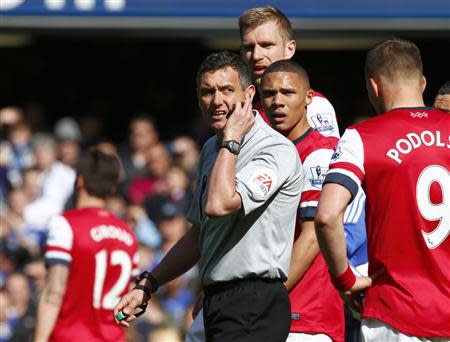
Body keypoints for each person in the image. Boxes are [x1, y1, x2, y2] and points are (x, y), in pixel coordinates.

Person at [114, 51, 302, 342]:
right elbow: (198, 235)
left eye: (227, 90)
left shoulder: (275, 150)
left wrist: (231, 141)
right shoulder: (211, 149)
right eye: (207, 92)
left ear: (249, 93)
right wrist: (149, 284)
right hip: (217, 299)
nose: (216, 101)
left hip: (255, 302)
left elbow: (218, 205)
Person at [315, 38, 450, 341]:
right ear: (423, 82)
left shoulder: (360, 137)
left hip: (395, 313)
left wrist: (345, 279)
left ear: (373, 87)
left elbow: (326, 216)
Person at [260, 60, 344, 341]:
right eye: (269, 94)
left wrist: (267, 297)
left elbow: (312, 237)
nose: (277, 102)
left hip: (307, 318)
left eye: (287, 93)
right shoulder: (266, 151)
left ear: (309, 98)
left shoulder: (320, 153)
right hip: (267, 312)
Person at [34, 148, 139, 342]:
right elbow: (132, 300)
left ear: (80, 181)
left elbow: (54, 292)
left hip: (69, 336)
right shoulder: (129, 235)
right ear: (112, 188)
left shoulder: (65, 224)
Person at [239, 5, 340, 140]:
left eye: (266, 45)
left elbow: (323, 155)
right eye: (249, 47)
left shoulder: (312, 105)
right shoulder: (247, 111)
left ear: (289, 49)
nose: (256, 55)